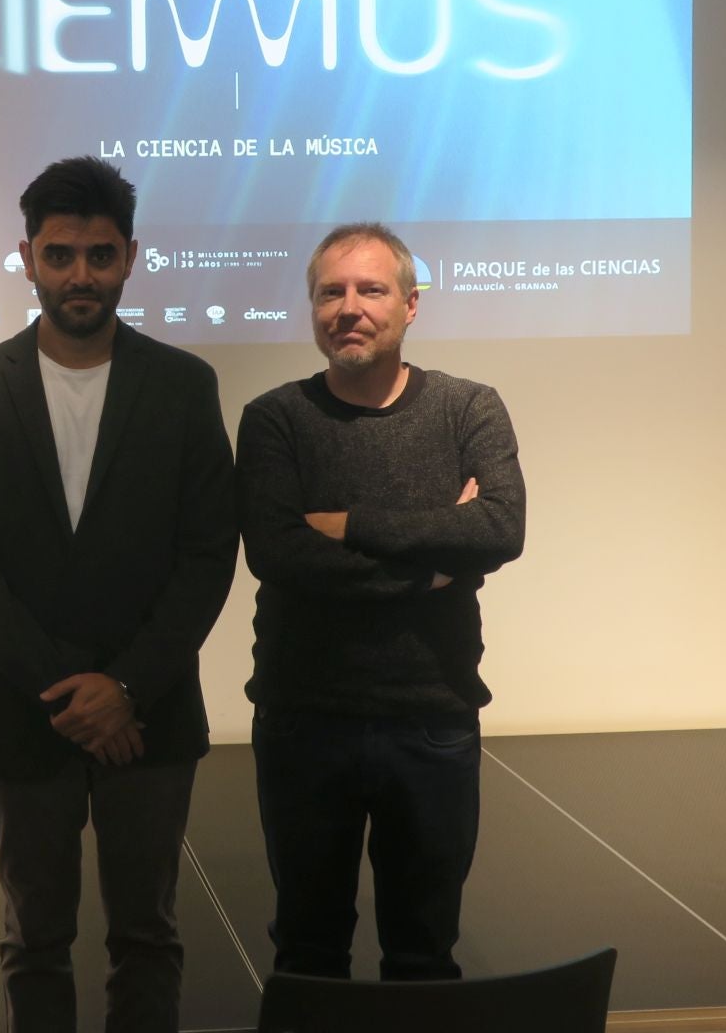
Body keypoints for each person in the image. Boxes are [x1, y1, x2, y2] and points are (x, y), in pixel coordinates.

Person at [0, 155, 238, 1033]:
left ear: (130, 257)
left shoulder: (184, 386)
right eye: (60, 255)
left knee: (148, 935)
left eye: (100, 255)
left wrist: (127, 687)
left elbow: (208, 555)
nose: (80, 276)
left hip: (151, 715)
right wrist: (76, 694)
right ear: (26, 256)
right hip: (26, 715)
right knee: (34, 938)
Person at [236, 221, 524, 982]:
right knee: (307, 951)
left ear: (411, 304)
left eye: (371, 290)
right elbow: (279, 555)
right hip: (304, 721)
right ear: (312, 308)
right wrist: (433, 565)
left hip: (432, 718)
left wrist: (349, 525)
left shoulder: (469, 408)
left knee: (424, 954)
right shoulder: (275, 419)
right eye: (330, 293)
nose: (349, 308)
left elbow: (500, 528)